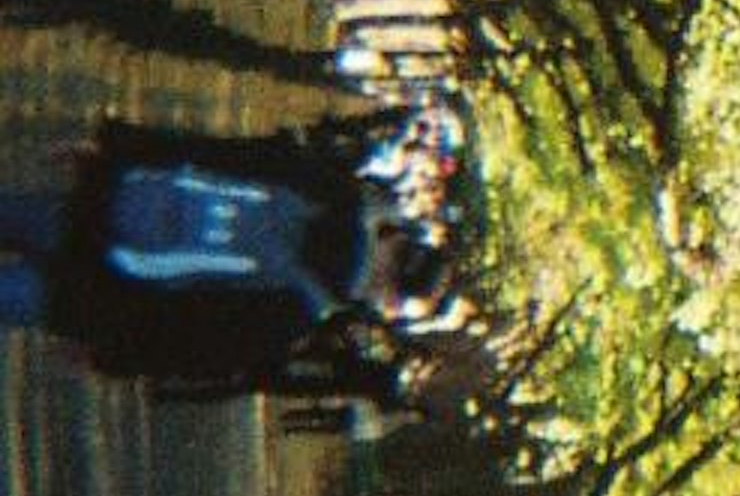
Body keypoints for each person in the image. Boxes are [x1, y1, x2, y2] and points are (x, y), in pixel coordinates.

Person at [0, 117, 429, 391]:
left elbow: (218, 152)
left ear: (393, 239)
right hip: (92, 299)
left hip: (107, 205)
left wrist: (118, 145)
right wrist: (108, 358)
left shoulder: (323, 187)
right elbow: (190, 346)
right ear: (387, 297)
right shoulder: (294, 315)